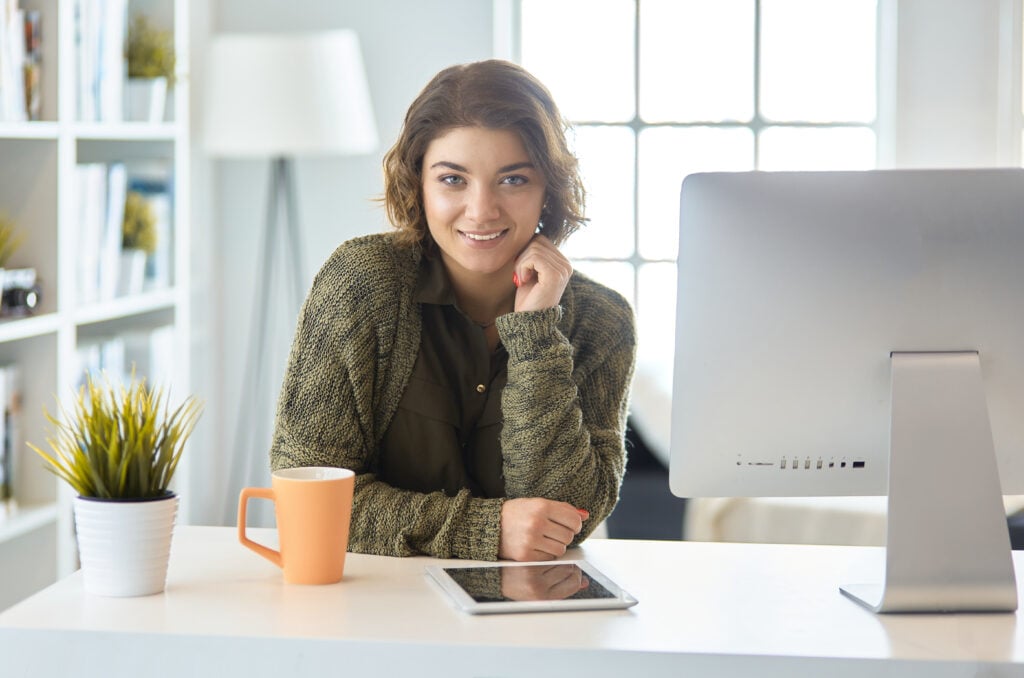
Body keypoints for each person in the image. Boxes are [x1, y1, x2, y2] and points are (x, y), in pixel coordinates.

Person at [269, 59, 636, 562]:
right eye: (453, 180)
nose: (481, 210)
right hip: (373, 603)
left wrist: (534, 334)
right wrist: (484, 529)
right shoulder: (361, 282)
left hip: (533, 616)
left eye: (513, 180)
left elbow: (569, 517)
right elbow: (307, 492)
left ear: (548, 188)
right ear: (417, 183)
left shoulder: (601, 320)